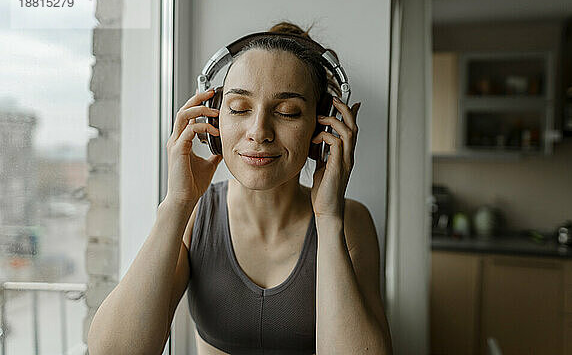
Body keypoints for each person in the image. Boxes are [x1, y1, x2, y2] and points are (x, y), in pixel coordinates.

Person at [87, 22, 393, 355]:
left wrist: (329, 218)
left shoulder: (351, 222)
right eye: (238, 108)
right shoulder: (196, 217)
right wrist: (176, 204)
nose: (258, 131)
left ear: (322, 124)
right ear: (213, 122)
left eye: (287, 112)